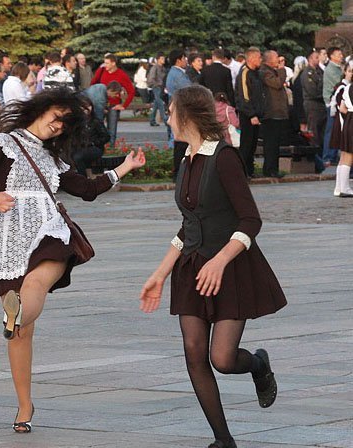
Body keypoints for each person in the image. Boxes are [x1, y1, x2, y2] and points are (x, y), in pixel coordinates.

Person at [0, 89, 145, 434]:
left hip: (50, 232)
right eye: (57, 117)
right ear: (41, 110)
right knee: (20, 334)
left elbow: (87, 190)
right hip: (9, 239)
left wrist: (125, 167)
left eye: (65, 125)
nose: (58, 127)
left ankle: (16, 312)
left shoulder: (53, 158)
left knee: (36, 283)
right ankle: (24, 403)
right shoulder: (1, 144)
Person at [140, 84, 285, 448]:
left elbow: (250, 220)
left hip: (230, 269)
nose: (167, 119)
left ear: (187, 115)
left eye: (171, 112)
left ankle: (258, 364)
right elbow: (188, 225)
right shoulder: (186, 159)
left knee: (222, 358)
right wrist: (159, 274)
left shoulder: (224, 157)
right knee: (194, 354)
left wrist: (220, 260)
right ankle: (224, 441)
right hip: (192, 271)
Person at [90, 53, 135, 146]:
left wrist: (124, 105)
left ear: (113, 63)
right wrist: (99, 70)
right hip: (100, 104)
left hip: (113, 105)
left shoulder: (121, 74)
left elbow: (131, 91)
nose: (105, 65)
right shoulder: (102, 70)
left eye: (107, 63)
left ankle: (111, 148)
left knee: (112, 130)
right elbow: (93, 84)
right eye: (104, 63)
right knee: (97, 127)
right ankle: (98, 147)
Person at [236, 47, 265, 177]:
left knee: (253, 144)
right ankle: (241, 172)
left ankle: (249, 170)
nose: (260, 60)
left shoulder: (256, 73)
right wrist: (251, 114)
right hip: (247, 114)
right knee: (246, 144)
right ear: (251, 58)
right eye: (258, 57)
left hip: (257, 114)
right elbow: (244, 96)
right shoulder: (245, 73)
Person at [260, 50, 288, 178]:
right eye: (276, 57)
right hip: (271, 113)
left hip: (278, 113)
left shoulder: (272, 71)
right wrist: (281, 69)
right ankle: (270, 169)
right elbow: (277, 84)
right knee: (271, 143)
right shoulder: (265, 72)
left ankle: (273, 168)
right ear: (269, 59)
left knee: (275, 143)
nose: (279, 59)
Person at [166, 49, 192, 176]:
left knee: (180, 142)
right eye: (184, 58)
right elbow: (190, 91)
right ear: (178, 60)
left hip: (178, 109)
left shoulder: (174, 73)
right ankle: (179, 172)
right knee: (182, 143)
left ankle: (179, 171)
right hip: (182, 110)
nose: (186, 60)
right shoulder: (178, 75)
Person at [301, 51, 327, 168]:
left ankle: (320, 159)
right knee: (314, 134)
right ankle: (315, 162)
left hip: (321, 106)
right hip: (312, 105)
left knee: (321, 135)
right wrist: (323, 93)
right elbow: (312, 91)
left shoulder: (320, 72)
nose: (318, 59)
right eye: (316, 57)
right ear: (310, 59)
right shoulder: (307, 73)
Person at [74, 96, 109, 176]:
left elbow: (106, 137)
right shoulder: (75, 122)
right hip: (78, 147)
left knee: (77, 157)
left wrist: (94, 142)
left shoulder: (95, 121)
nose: (86, 109)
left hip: (94, 148)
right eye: (83, 107)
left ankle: (83, 179)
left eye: (88, 106)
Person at [323, 47, 345, 166]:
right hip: (332, 103)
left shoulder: (337, 68)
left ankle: (332, 155)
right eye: (338, 54)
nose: (341, 56)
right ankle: (327, 156)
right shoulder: (331, 69)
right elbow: (339, 82)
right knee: (331, 130)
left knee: (336, 130)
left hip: (337, 102)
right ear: (331, 56)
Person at [334, 63, 353, 196]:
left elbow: (342, 108)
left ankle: (339, 187)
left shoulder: (348, 87)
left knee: (345, 155)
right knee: (349, 155)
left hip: (348, 121)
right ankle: (345, 188)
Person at [147, 53, 168, 126]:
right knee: (161, 103)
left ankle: (152, 120)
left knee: (156, 104)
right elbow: (151, 78)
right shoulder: (154, 68)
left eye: (164, 58)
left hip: (162, 87)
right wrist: (156, 84)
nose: (164, 60)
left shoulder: (163, 68)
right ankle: (165, 120)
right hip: (157, 87)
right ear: (157, 59)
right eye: (162, 58)